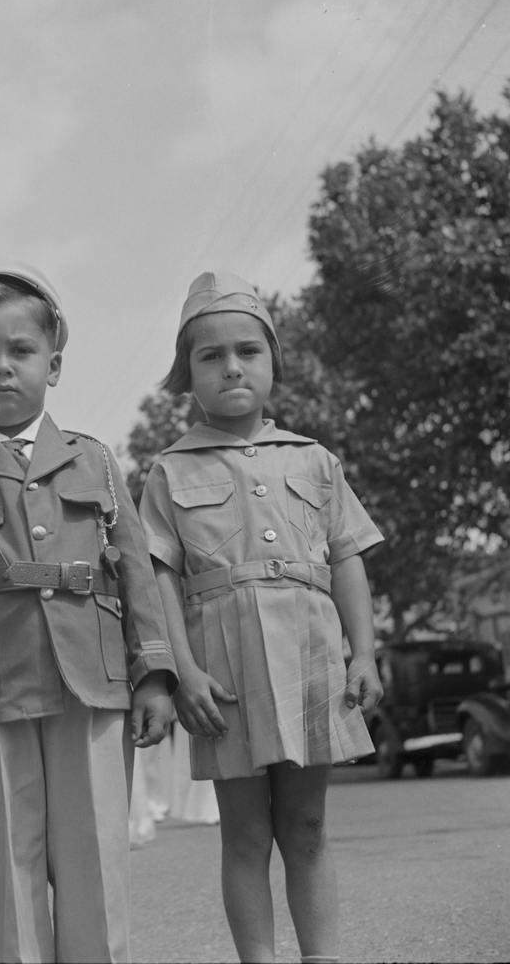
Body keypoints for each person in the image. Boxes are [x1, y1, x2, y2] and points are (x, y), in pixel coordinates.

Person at [0, 257, 178, 963]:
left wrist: (154, 674)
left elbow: (136, 573)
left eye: (20, 351)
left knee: (95, 862)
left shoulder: (97, 461)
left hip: (93, 683)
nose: (2, 367)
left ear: (52, 365)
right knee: (9, 868)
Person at [138, 270, 384, 964]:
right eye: (210, 356)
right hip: (224, 671)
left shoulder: (315, 459)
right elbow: (158, 574)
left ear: (274, 360)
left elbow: (346, 559)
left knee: (305, 825)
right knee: (244, 834)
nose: (231, 367)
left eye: (248, 350)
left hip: (309, 657)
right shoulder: (170, 471)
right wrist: (181, 669)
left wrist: (362, 653)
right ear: (187, 374)